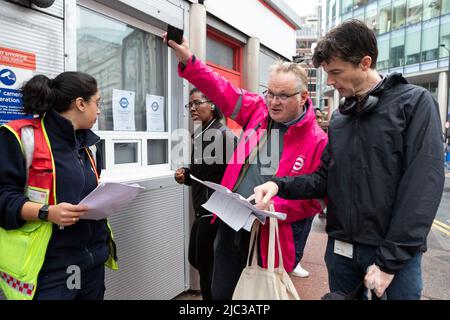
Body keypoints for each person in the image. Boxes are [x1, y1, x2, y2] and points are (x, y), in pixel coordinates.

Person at [254, 19, 444, 300]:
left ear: (365, 62)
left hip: (390, 257)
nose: (330, 81)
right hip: (340, 252)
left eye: (336, 72)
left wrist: (389, 262)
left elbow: (422, 189)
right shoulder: (341, 116)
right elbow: (324, 177)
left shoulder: (415, 103)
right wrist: (279, 185)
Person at [165, 34, 328, 299]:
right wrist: (189, 61)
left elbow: (315, 199)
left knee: (259, 296)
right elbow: (222, 89)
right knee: (222, 292)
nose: (273, 102)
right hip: (231, 224)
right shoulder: (258, 110)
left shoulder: (317, 141)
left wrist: (273, 207)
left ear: (303, 96)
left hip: (271, 236)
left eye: (283, 96)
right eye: (270, 93)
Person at [0, 72, 118, 300]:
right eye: (98, 102)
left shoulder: (90, 145)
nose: (100, 110)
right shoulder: (20, 136)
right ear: (80, 104)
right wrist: (46, 212)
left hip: (92, 262)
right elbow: (3, 197)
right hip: (49, 268)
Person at [174, 88, 237, 300]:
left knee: (207, 266)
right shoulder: (202, 134)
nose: (192, 108)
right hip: (203, 208)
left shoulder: (222, 135)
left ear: (212, 104)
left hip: (215, 212)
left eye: (196, 103)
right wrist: (187, 176)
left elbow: (232, 176)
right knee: (198, 259)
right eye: (189, 104)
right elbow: (206, 173)